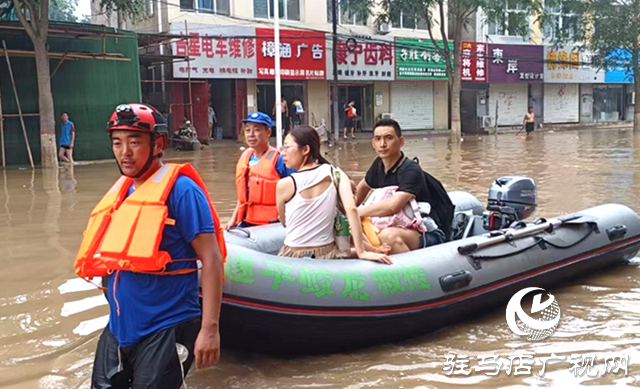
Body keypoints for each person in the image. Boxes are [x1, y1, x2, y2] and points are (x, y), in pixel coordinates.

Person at [74, 103, 227, 389]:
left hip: (166, 325)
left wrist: (210, 329)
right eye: (117, 143)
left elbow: (212, 258)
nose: (125, 152)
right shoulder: (123, 189)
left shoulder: (182, 192)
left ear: (159, 144)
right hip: (119, 328)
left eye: (134, 142)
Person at [275, 125, 391, 264]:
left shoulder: (284, 184)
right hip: (327, 254)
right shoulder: (335, 172)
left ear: (305, 149)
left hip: (292, 255)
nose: (282, 153)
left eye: (287, 147)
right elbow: (351, 209)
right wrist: (362, 252)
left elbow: (284, 222)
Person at [355, 119, 448, 254]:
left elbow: (394, 205)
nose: (383, 144)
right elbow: (362, 189)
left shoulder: (411, 170)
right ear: (373, 144)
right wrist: (343, 211)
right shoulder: (378, 165)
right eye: (378, 139)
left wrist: (355, 212)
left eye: (389, 138)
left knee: (388, 236)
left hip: (426, 231)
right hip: (393, 224)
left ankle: (413, 273)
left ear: (401, 142)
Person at [225, 112, 296, 230]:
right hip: (247, 221)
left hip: (272, 224)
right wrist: (234, 219)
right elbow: (243, 195)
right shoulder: (245, 157)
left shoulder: (279, 160)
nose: (251, 135)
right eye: (247, 131)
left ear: (268, 132)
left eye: (256, 130)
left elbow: (296, 189)